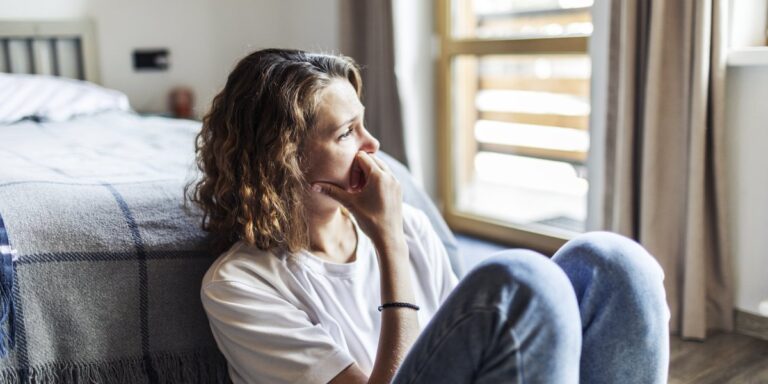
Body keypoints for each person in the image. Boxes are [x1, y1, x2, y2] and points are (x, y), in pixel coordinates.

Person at [189, 48, 670, 384]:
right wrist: (389, 244)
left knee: (611, 261)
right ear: (283, 159)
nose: (373, 145)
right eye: (346, 133)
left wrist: (395, 232)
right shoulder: (240, 285)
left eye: (364, 123)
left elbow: (466, 349)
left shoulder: (411, 225)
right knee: (521, 279)